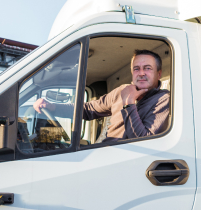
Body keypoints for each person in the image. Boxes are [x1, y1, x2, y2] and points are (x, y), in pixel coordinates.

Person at [33, 49, 170, 143]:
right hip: (105, 152)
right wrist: (52, 107)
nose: (141, 73)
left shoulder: (164, 99)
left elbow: (142, 140)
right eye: (136, 68)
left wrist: (128, 102)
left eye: (147, 68)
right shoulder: (121, 90)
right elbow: (89, 109)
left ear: (158, 74)